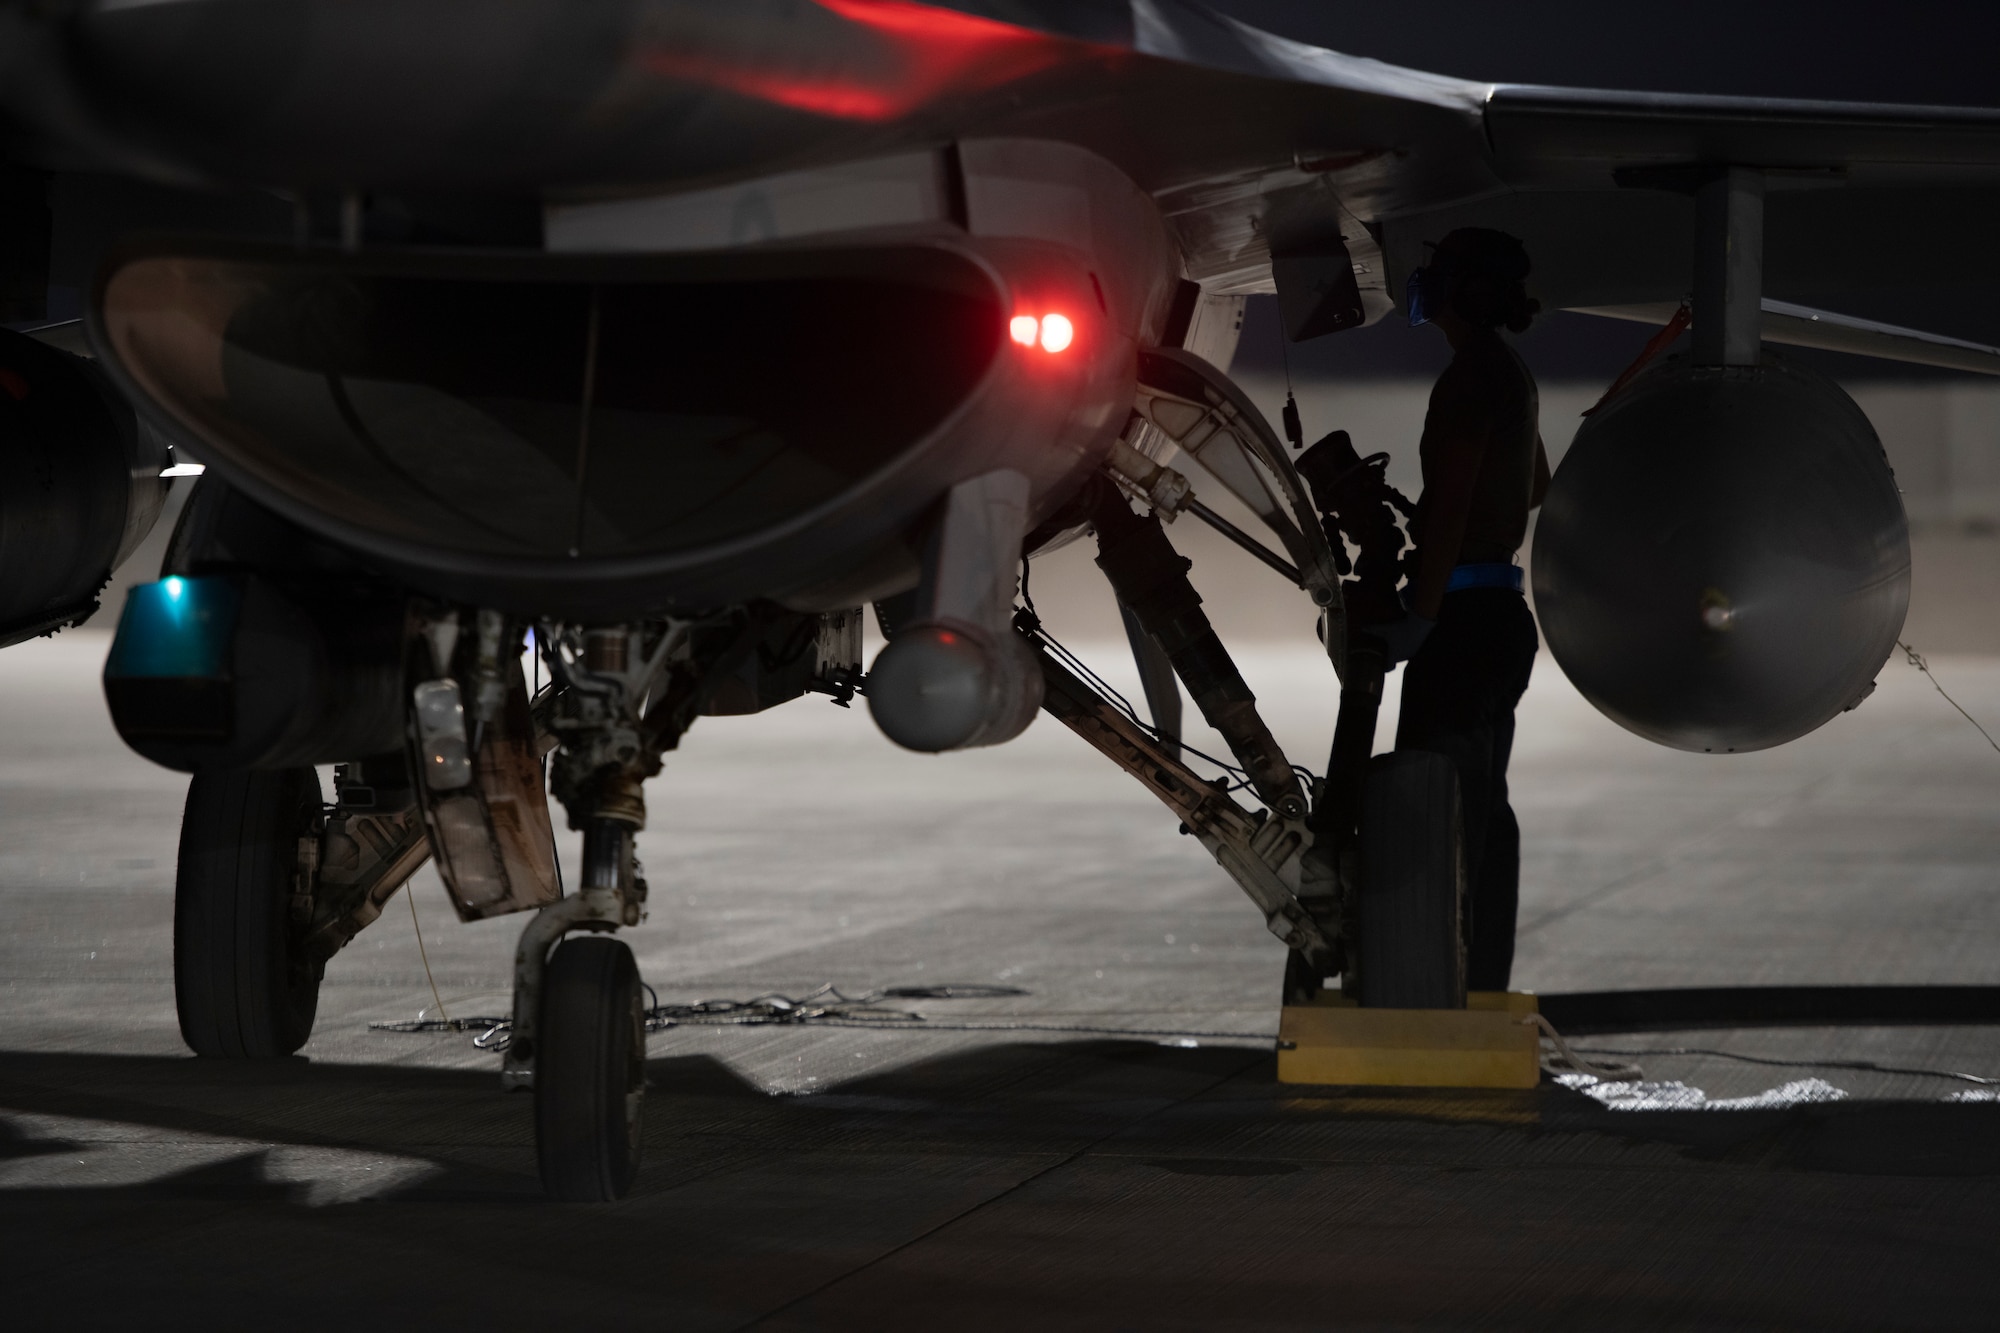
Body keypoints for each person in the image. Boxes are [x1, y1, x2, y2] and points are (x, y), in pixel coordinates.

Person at [1375, 227, 1550, 993]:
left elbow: (1447, 511)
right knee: (1481, 811)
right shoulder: (1508, 372)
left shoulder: (1469, 378)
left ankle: (1441, 986)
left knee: (1437, 813)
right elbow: (1533, 485)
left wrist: (1418, 611)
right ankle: (1479, 983)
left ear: (1458, 291)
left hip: (1465, 620)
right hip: (1500, 617)